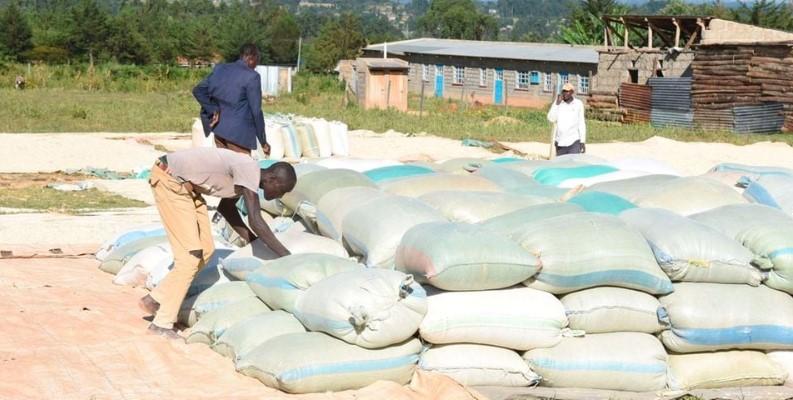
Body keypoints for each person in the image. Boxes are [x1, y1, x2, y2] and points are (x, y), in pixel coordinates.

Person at [138, 147, 295, 338]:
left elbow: (228, 211)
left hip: (187, 189)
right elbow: (255, 218)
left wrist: (253, 242)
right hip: (170, 181)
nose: (281, 196)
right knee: (189, 258)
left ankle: (155, 299)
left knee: (205, 251)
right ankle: (161, 324)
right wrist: (285, 256)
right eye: (283, 190)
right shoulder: (248, 169)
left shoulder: (247, 177)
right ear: (273, 180)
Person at [192, 43, 269, 155]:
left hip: (220, 132)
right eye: (258, 60)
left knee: (225, 170)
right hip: (239, 138)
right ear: (251, 58)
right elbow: (256, 112)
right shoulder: (252, 77)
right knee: (243, 171)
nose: (257, 65)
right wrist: (263, 141)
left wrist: (213, 109)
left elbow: (198, 90)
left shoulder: (220, 69)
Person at [547, 82, 587, 156]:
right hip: (560, 142)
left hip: (574, 141)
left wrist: (582, 141)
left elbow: (581, 123)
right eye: (563, 91)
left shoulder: (578, 104)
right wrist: (557, 104)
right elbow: (551, 119)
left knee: (573, 164)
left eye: (567, 91)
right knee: (561, 166)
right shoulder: (558, 103)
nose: (565, 93)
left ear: (572, 92)